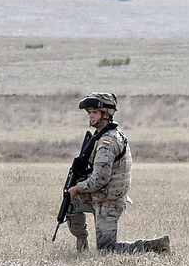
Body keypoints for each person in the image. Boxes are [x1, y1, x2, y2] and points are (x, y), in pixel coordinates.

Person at [64, 92, 170, 253]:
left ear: (106, 115)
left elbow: (99, 179)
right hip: (97, 196)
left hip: (109, 201)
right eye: (89, 113)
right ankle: (82, 248)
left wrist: (78, 188)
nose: (90, 117)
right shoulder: (102, 136)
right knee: (71, 203)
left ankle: (155, 246)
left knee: (107, 250)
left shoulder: (108, 142)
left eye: (94, 113)